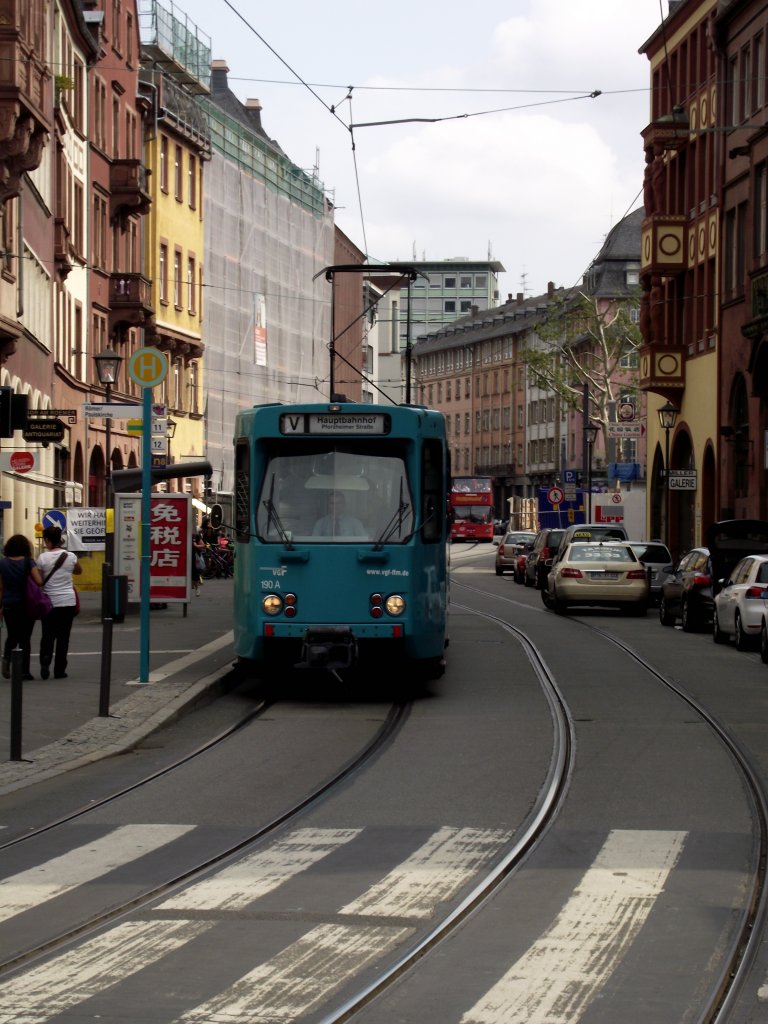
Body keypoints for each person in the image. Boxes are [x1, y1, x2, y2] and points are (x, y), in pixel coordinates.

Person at [37, 526, 82, 679]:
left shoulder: (42, 558)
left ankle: (45, 660)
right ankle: (60, 670)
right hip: (67, 602)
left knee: (47, 635)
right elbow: (79, 571)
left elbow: (40, 580)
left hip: (49, 603)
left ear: (48, 540)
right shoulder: (70, 556)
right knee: (64, 637)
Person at [0, 533, 43, 680]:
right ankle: (25, 671)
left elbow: (0, 587)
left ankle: (6, 657)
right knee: (25, 637)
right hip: (26, 604)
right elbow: (38, 581)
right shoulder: (28, 562)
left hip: (8, 604)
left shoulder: (2, 563)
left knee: (12, 635)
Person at [191, 530, 205, 595]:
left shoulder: (195, 536)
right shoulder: (183, 535)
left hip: (194, 558)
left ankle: (197, 588)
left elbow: (203, 545)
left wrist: (196, 546)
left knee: (195, 574)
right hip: (185, 557)